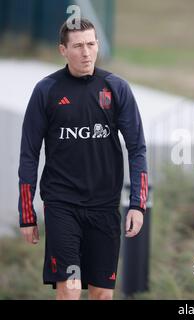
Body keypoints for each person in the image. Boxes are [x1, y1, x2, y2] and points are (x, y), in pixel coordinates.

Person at [18, 18, 148, 300]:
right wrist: (27, 214)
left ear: (98, 45)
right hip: (62, 205)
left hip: (105, 206)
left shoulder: (116, 88)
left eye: (91, 44)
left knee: (102, 294)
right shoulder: (46, 90)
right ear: (63, 50)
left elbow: (137, 147)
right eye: (77, 46)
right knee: (71, 287)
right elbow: (29, 153)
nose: (86, 52)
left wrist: (137, 204)